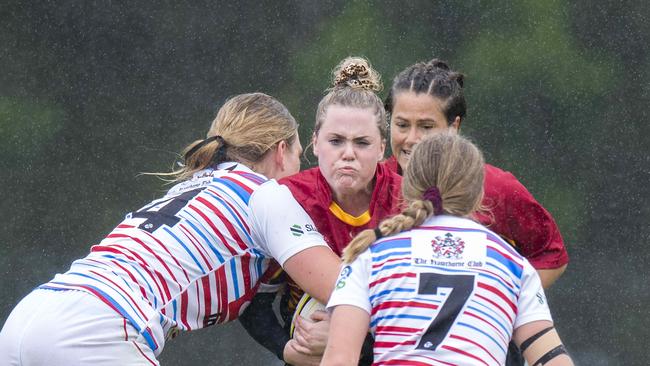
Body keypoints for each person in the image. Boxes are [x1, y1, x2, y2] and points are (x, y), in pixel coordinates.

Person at [0, 93, 342, 365]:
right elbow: (346, 289)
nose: (300, 171)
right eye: (299, 156)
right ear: (281, 152)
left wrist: (285, 348)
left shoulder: (190, 187)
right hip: (97, 329)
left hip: (28, 318)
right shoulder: (265, 194)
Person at [321, 132, 574, 366]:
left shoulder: (370, 254)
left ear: (408, 186)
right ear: (478, 194)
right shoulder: (513, 264)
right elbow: (551, 358)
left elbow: (339, 359)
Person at [239, 57, 403, 365]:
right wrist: (286, 349)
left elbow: (429, 312)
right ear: (315, 142)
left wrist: (355, 338)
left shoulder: (410, 203)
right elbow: (253, 301)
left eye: (363, 143)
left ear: (383, 148)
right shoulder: (286, 199)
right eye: (336, 141)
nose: (348, 154)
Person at [382, 58, 568, 289]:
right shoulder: (373, 183)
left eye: (426, 127)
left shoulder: (496, 187)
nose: (411, 139)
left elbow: (551, 255)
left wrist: (511, 310)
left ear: (454, 127)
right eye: (402, 125)